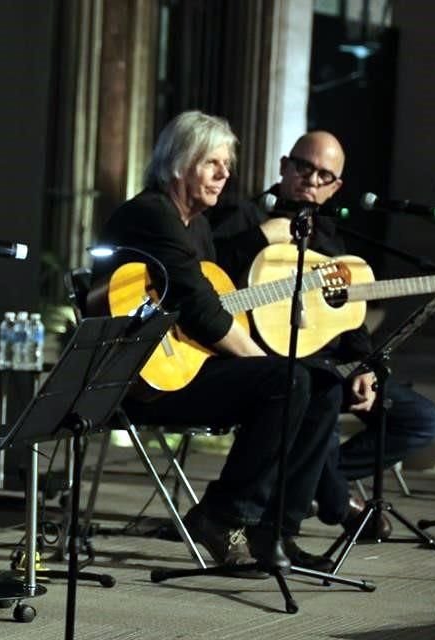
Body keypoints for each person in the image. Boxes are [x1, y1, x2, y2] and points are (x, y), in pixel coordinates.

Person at [93, 111, 340, 573]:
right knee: (287, 382)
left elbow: (212, 296)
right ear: (180, 163)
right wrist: (266, 359)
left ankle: (276, 533)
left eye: (227, 163)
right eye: (213, 163)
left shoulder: (196, 224)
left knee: (324, 386)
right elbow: (201, 312)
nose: (225, 173)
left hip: (189, 368)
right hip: (143, 382)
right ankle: (224, 517)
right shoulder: (152, 215)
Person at [207, 130, 435, 537]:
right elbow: (208, 277)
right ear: (284, 167)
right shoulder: (241, 217)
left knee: (421, 419)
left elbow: (348, 317)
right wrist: (262, 238)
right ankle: (336, 500)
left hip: (334, 363)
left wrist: (368, 367)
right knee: (319, 396)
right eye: (304, 168)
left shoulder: (333, 242)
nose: (312, 181)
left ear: (336, 187)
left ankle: (310, 478)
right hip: (271, 368)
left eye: (324, 176)